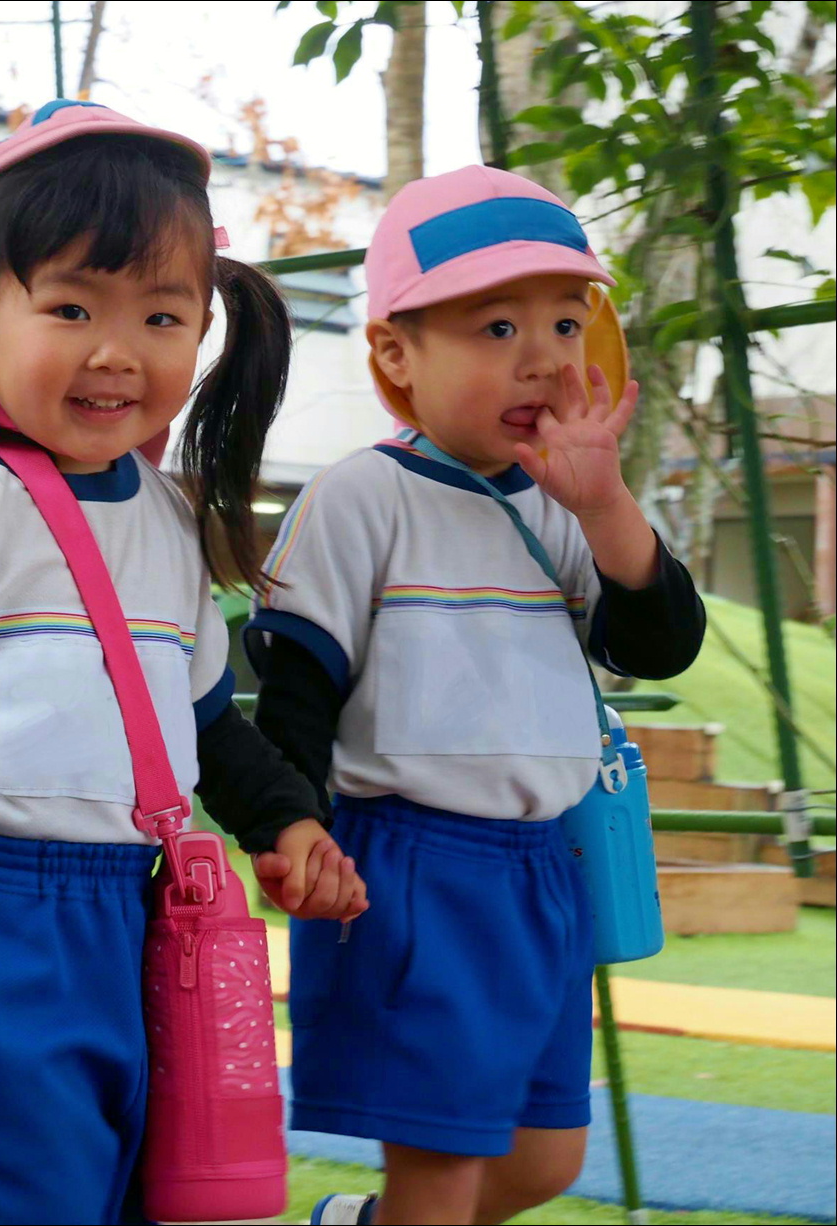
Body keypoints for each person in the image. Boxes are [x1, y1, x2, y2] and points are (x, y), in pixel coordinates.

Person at [0, 101, 368, 1225]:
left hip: (129, 924)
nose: (115, 349)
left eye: (159, 313)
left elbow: (202, 725)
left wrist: (283, 821)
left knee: (123, 1189)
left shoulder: (166, 515)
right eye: (70, 306)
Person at [247, 166, 706, 1226]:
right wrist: (294, 820)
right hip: (408, 867)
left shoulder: (566, 502)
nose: (543, 356)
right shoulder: (361, 494)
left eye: (562, 322)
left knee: (545, 1155)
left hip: (542, 868)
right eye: (496, 326)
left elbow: (659, 640)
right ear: (397, 354)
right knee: (441, 1167)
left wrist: (607, 505)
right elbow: (296, 677)